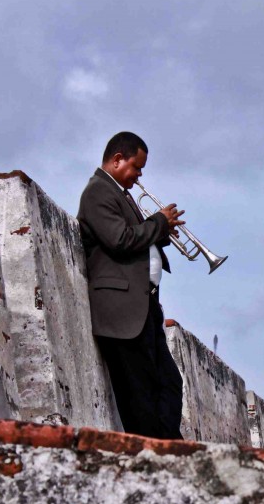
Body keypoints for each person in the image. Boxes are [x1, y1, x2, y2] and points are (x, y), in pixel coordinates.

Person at [77, 132, 186, 440]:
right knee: (138, 389)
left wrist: (162, 232)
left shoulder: (120, 194)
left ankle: (167, 443)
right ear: (117, 160)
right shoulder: (97, 192)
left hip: (145, 305)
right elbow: (120, 239)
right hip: (122, 309)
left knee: (168, 382)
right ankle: (155, 449)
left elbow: (135, 233)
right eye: (136, 167)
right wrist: (158, 224)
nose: (139, 176)